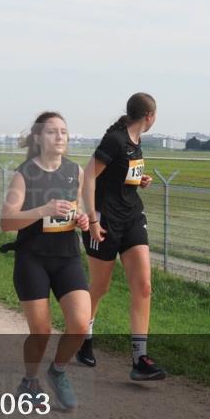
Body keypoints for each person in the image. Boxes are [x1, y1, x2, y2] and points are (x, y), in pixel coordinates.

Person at [0, 112, 90, 409]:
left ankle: (58, 371)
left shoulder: (75, 171)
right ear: (38, 138)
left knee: (80, 325)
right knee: (41, 332)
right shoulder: (24, 174)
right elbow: (6, 221)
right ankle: (29, 381)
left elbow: (76, 209)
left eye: (63, 131)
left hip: (67, 257)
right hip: (32, 259)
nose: (60, 136)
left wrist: (81, 219)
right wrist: (43, 210)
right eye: (52, 131)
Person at [78, 93, 166, 381]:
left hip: (131, 218)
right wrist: (92, 220)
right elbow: (89, 177)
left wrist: (138, 180)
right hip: (104, 222)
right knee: (99, 287)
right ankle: (83, 336)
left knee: (143, 286)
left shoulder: (135, 142)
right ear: (150, 116)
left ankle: (140, 358)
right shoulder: (115, 140)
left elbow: (119, 174)